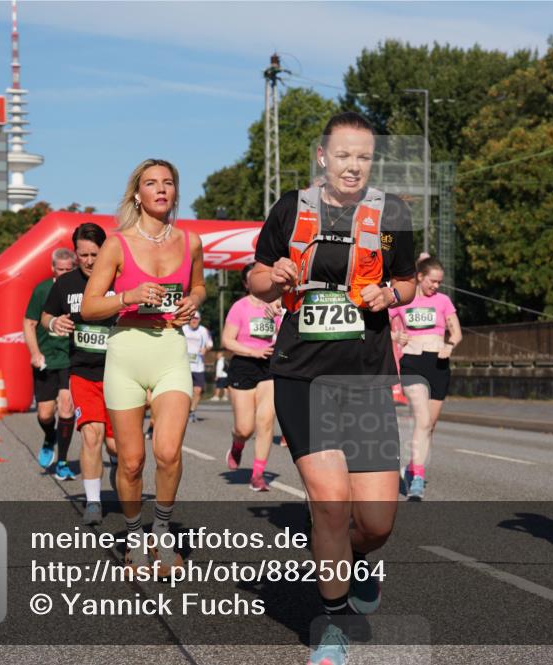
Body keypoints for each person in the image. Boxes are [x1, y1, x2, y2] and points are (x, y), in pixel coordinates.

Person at [248, 112, 416, 665]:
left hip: (365, 378)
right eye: (343, 155)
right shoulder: (291, 209)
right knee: (328, 504)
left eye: (363, 157)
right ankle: (333, 622)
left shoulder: (392, 213)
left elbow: (410, 280)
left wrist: (389, 293)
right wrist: (273, 276)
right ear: (323, 156)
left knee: (376, 522)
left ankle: (358, 558)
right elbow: (254, 278)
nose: (353, 166)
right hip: (301, 373)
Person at [81, 158, 204, 572]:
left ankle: (163, 533)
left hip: (170, 348)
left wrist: (193, 302)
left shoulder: (191, 242)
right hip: (127, 351)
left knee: (168, 453)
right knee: (131, 462)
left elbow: (200, 285)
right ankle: (134, 532)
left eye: (168, 182)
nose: (161, 189)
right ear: (138, 193)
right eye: (151, 183)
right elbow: (90, 307)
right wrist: (128, 296)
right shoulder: (117, 243)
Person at [41, 223, 120, 525]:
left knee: (115, 445)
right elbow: (46, 315)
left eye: (94, 254)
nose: (88, 261)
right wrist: (53, 324)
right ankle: (93, 502)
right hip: (83, 371)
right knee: (91, 435)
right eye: (82, 254)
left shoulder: (120, 279)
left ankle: (117, 467)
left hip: (119, 372)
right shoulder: (65, 284)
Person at [389, 256, 462, 499]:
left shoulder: (443, 301)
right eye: (433, 281)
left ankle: (411, 468)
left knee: (429, 425)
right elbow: (383, 327)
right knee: (422, 419)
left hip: (438, 364)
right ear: (420, 277)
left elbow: (457, 333)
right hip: (412, 362)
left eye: (440, 282)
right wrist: (395, 337)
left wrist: (450, 346)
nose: (436, 286)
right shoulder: (404, 299)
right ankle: (418, 478)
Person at [222, 263, 282, 491]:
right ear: (247, 284)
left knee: (266, 420)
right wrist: (252, 351)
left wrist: (279, 314)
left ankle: (258, 475)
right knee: (245, 428)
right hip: (244, 365)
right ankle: (237, 445)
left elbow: (283, 334)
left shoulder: (275, 305)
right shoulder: (240, 307)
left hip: (268, 366)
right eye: (252, 279)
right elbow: (227, 340)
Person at [24, 248, 77, 477]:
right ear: (52, 268)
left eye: (69, 269)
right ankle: (49, 436)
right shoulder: (43, 290)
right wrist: (35, 352)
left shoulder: (80, 289)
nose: (65, 273)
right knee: (45, 414)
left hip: (70, 358)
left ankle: (63, 462)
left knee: (67, 407)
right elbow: (29, 323)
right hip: (46, 358)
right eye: (60, 269)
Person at [182, 312, 214, 423]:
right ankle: (183, 411)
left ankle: (192, 411)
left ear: (199, 320)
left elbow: (210, 344)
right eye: (191, 318)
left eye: (196, 318)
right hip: (184, 365)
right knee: (184, 391)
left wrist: (206, 349)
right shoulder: (183, 329)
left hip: (198, 365)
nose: (194, 320)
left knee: (198, 390)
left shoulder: (203, 331)